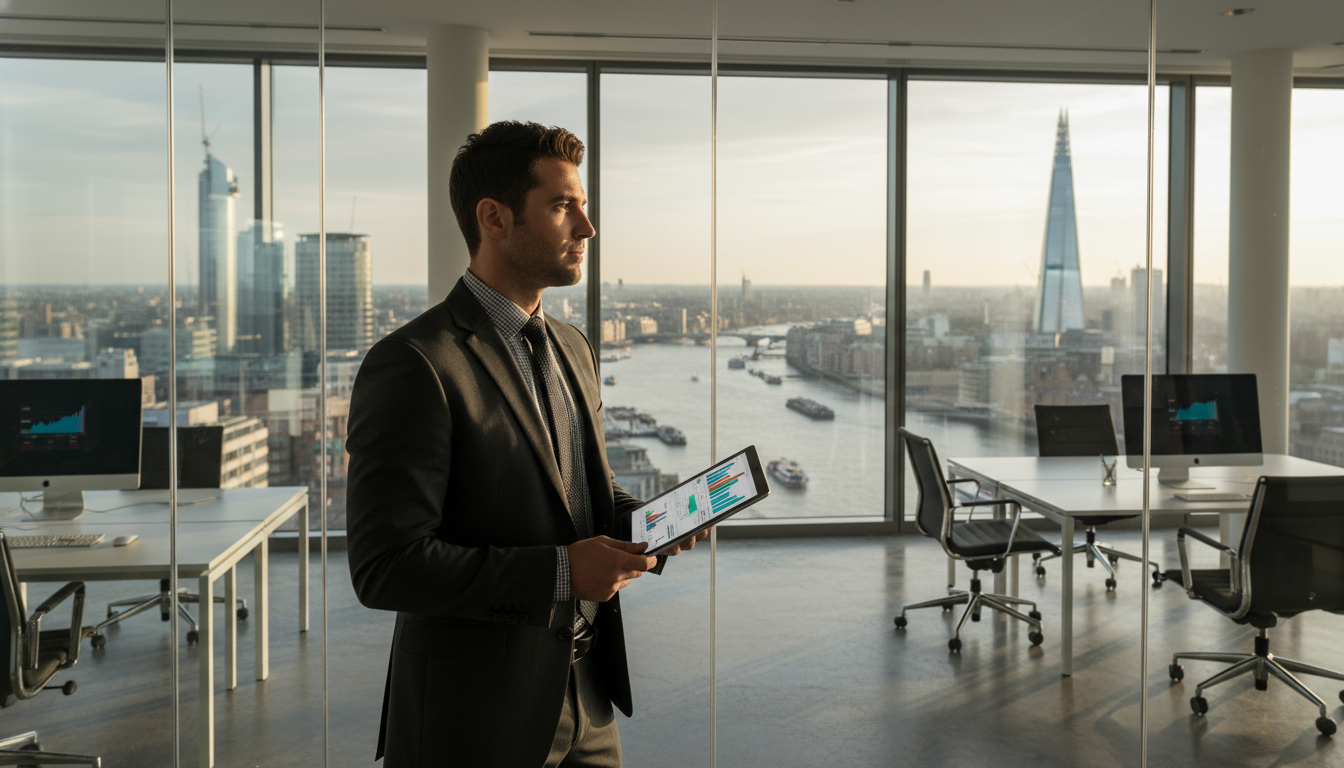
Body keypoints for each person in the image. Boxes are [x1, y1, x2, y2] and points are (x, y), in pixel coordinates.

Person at [345, 120, 707, 767]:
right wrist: (567, 572)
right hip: (472, 718)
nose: (586, 229)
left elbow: (583, 495)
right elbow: (386, 565)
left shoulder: (573, 348)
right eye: (564, 206)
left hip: (589, 696)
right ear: (495, 218)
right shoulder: (414, 363)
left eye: (584, 207)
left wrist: (653, 522)